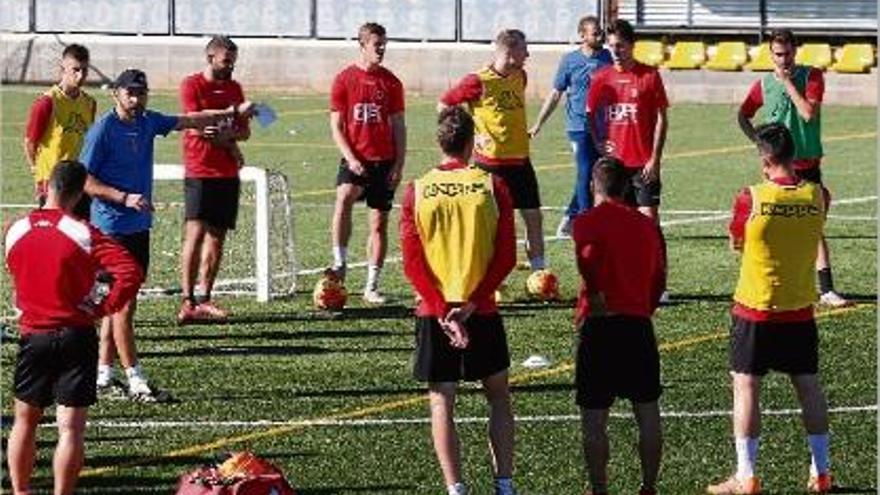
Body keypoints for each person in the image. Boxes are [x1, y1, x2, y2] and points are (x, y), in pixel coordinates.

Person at [80, 68, 255, 401]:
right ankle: (135, 379)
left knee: (117, 304)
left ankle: (103, 374)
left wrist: (231, 113)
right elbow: (84, 180)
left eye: (141, 92)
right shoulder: (103, 130)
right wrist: (123, 198)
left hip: (138, 228)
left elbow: (189, 120)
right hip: (111, 229)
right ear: (116, 93)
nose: (136, 98)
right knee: (124, 306)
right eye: (130, 92)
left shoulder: (148, 121)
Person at [707, 123, 832, 495]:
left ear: (764, 159)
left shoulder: (752, 197)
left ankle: (746, 477)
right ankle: (821, 471)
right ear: (792, 155)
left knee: (746, 386)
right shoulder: (819, 195)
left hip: (755, 309)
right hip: (799, 309)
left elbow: (736, 241)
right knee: (808, 386)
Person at [5, 160, 143, 495]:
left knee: (25, 420)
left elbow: (15, 266)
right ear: (80, 193)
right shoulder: (83, 232)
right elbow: (130, 271)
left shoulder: (15, 229)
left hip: (33, 334)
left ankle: (20, 491)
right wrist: (104, 306)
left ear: (47, 186)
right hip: (75, 334)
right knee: (70, 429)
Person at [400, 107, 517, 495]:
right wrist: (473, 302)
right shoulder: (491, 186)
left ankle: (456, 489)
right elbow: (506, 257)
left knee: (441, 403)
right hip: (480, 309)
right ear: (471, 143)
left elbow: (413, 263)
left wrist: (441, 309)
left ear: (439, 142)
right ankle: (504, 485)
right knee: (498, 397)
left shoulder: (418, 189)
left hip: (435, 313)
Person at [571, 157, 666, 495]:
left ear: (594, 186)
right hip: (638, 325)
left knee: (594, 418)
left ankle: (599, 490)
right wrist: (643, 308)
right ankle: (648, 487)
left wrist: (596, 294)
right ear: (626, 188)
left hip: (599, 327)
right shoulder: (647, 228)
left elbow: (587, 260)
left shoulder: (585, 223)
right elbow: (659, 279)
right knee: (648, 411)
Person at [737, 28, 849, 308]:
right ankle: (770, 281)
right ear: (770, 54)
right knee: (771, 225)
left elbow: (808, 114)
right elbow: (743, 114)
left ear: (795, 51)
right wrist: (760, 144)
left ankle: (826, 289)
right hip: (778, 168)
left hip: (807, 164)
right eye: (777, 54)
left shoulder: (812, 76)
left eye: (786, 53)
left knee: (814, 226)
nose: (782, 59)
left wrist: (788, 83)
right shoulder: (763, 84)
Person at [439, 29, 550, 275]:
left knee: (533, 217)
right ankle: (487, 275)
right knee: (490, 224)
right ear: (509, 51)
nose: (528, 54)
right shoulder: (477, 81)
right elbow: (445, 103)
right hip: (490, 165)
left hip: (521, 161)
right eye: (524, 49)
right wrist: (468, 133)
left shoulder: (520, 76)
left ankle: (540, 274)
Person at [327, 21, 406, 304]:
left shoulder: (391, 82)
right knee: (344, 196)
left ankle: (372, 285)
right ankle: (340, 263)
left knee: (378, 224)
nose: (382, 48)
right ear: (362, 45)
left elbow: (399, 126)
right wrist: (350, 158)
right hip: (355, 158)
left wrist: (398, 164)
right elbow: (336, 126)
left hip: (383, 162)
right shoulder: (344, 80)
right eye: (376, 44)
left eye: (384, 43)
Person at [177, 35, 251, 324]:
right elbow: (192, 120)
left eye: (233, 61)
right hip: (200, 169)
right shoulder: (191, 85)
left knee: (217, 238)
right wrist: (219, 130)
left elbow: (244, 131)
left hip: (227, 172)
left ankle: (205, 297)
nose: (230, 66)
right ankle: (187, 300)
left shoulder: (235, 88)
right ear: (210, 58)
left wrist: (228, 138)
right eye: (226, 61)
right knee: (194, 234)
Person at [528, 16, 611, 237]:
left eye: (600, 32)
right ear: (582, 35)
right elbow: (556, 93)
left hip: (602, 128)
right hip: (578, 127)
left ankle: (570, 215)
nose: (599, 36)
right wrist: (538, 124)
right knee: (585, 171)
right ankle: (586, 221)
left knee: (595, 172)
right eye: (595, 33)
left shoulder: (607, 57)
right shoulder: (570, 61)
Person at [586, 19, 668, 223]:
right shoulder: (601, 77)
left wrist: (654, 159)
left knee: (648, 222)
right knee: (612, 222)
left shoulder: (649, 76)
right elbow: (589, 113)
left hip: (643, 165)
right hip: (613, 165)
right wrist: (597, 140)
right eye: (612, 46)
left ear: (632, 46)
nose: (615, 51)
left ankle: (656, 256)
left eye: (620, 46)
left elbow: (661, 119)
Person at [23, 43, 96, 218]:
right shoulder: (46, 103)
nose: (80, 75)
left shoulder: (89, 103)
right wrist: (38, 174)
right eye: (75, 70)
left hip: (80, 183)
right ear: (62, 69)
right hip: (53, 184)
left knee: (80, 236)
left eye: (84, 70)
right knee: (52, 235)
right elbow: (30, 142)